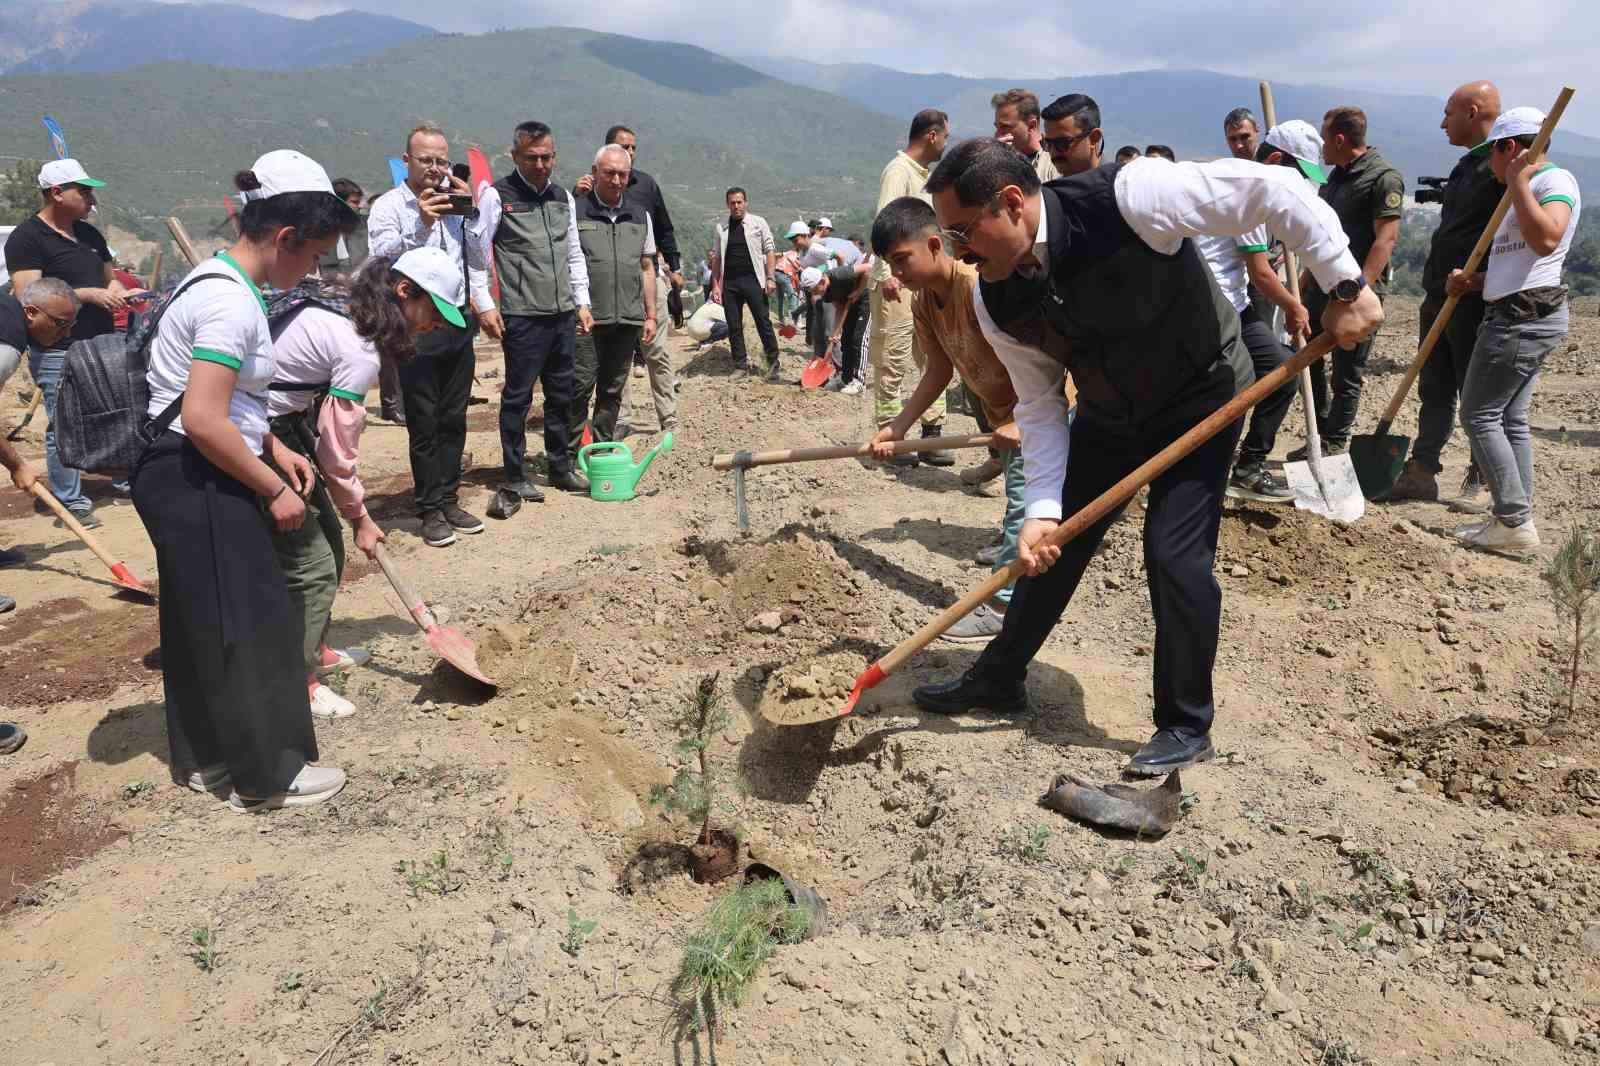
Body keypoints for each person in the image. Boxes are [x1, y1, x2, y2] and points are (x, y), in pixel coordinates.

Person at [917, 138, 1380, 774]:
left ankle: (1186, 723)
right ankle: (1000, 678)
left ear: (1014, 203)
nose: (959, 248)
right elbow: (1042, 406)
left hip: (1201, 399)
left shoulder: (1132, 197)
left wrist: (1345, 285)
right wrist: (1042, 508)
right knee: (1053, 546)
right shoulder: (994, 300)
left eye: (963, 230)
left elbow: (1274, 191)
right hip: (1111, 415)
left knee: (1173, 554)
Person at [133, 149, 357, 812]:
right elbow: (202, 416)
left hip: (183, 468)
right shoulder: (232, 305)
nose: (313, 269)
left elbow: (216, 400)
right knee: (249, 623)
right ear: (285, 238)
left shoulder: (215, 281)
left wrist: (267, 443)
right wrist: (273, 486)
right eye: (313, 256)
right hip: (195, 472)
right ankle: (265, 775)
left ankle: (208, 761)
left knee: (202, 621)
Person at [266, 247, 461, 719]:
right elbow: (338, 453)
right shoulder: (357, 347)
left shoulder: (352, 307)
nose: (435, 325)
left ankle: (316, 651)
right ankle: (298, 681)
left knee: (329, 543)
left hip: (283, 424)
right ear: (403, 291)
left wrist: (350, 521)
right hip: (257, 432)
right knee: (309, 564)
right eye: (434, 312)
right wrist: (361, 516)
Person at [870, 197, 1025, 641]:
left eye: (903, 261)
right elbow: (938, 369)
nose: (897, 275)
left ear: (935, 244)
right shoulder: (923, 303)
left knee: (1023, 505)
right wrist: (900, 425)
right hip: (1006, 418)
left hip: (1042, 412)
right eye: (890, 265)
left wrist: (1027, 421)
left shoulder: (980, 287)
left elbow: (1047, 358)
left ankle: (1002, 605)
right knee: (1031, 505)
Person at [1449, 107, 1577, 555]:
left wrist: (1521, 182)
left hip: (1522, 316)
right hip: (1514, 308)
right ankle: (1514, 517)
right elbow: (1522, 262)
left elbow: (1547, 240)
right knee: (1509, 419)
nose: (1490, 168)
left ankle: (1513, 522)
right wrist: (1475, 283)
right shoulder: (1520, 194)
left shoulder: (1551, 183)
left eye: (1493, 156)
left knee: (1479, 415)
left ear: (1509, 148)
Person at [367, 123, 496, 546]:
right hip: (415, 324)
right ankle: (428, 507)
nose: (436, 168)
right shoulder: (389, 207)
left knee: (453, 416)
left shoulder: (455, 207)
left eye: (441, 160)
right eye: (427, 160)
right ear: (407, 161)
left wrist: (472, 213)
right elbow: (383, 261)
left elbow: (476, 258)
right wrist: (421, 223)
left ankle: (449, 496)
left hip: (455, 319)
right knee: (423, 419)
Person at [1384, 81, 1503, 505]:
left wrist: (1480, 279)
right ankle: (1422, 470)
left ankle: (1485, 473)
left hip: (1472, 302)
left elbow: (1510, 237)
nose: (1442, 123)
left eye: (1448, 112)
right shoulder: (1467, 167)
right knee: (1433, 388)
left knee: (1476, 395)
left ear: (1473, 112)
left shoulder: (1501, 169)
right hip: (1439, 295)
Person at [4, 158, 128, 530]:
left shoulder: (90, 236)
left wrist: (116, 290)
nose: (91, 200)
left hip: (102, 340)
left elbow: (110, 280)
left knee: (117, 409)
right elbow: (29, 296)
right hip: (58, 345)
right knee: (65, 421)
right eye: (84, 191)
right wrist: (88, 295)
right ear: (57, 194)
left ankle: (122, 474)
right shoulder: (28, 238)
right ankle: (70, 498)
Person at [473, 121, 592, 501]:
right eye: (532, 158)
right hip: (522, 315)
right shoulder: (497, 196)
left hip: (562, 314)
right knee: (518, 396)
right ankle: (515, 472)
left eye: (547, 157)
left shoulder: (563, 198)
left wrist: (583, 301)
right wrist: (486, 306)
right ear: (516, 156)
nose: (541, 165)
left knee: (562, 394)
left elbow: (574, 252)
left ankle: (560, 467)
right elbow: (477, 255)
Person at [1294, 106, 1404, 455]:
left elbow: (1384, 240)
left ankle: (1335, 442)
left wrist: (1360, 290)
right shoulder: (1335, 179)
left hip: (1355, 290)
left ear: (1339, 139)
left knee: (1347, 370)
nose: (1321, 148)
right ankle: (1319, 432)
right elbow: (1321, 235)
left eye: (1324, 139)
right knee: (1309, 357)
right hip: (1322, 285)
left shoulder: (1383, 178)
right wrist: (1306, 276)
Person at [572, 125, 684, 429]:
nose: (629, 154)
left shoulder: (646, 185)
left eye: (633, 148)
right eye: (623, 147)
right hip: (599, 299)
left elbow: (664, 228)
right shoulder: (583, 195)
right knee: (606, 372)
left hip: (643, 285)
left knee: (655, 351)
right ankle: (618, 423)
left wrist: (674, 268)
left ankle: (669, 417)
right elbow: (572, 246)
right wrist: (577, 193)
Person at [870, 108, 951, 465]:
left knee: (932, 352)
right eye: (946, 136)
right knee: (894, 353)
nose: (947, 143)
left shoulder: (923, 176)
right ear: (932, 135)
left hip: (923, 279)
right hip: (896, 281)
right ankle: (888, 432)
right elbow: (885, 223)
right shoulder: (898, 171)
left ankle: (932, 435)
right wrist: (888, 272)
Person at [568, 145, 659, 446]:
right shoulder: (575, 210)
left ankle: (602, 448)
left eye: (623, 174)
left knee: (611, 391)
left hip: (628, 318)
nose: (616, 180)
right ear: (594, 173)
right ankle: (568, 458)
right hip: (588, 318)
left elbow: (647, 267)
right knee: (579, 387)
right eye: (609, 173)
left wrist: (651, 315)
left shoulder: (640, 215)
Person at [0, 278, 70, 613]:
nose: (64, 332)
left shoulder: (6, 310)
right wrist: (16, 464)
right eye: (59, 323)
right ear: (30, 312)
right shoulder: (7, 345)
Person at [709, 188, 779, 377]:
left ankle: (773, 364)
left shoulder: (758, 223)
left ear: (746, 203)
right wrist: (716, 285)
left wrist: (771, 277)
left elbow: (770, 251)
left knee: (763, 322)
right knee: (733, 325)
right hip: (730, 283)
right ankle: (740, 365)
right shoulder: (721, 227)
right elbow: (716, 258)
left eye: (739, 202)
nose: (736, 206)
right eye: (732, 202)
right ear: (727, 204)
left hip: (754, 280)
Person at [800, 262, 869, 395]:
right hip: (850, 304)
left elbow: (867, 269)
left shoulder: (840, 274)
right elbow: (840, 307)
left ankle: (859, 382)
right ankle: (845, 379)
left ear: (821, 281)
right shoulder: (825, 293)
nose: (815, 294)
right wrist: (836, 331)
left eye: (815, 290)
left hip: (865, 300)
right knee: (846, 341)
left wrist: (858, 291)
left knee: (858, 340)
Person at [992, 89, 1059, 181]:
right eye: (997, 127)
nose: (997, 135)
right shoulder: (1000, 162)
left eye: (1005, 127)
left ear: (1031, 126)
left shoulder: (1054, 163)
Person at [1040, 94, 1104, 178]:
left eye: (1062, 143)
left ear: (1094, 138)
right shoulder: (1052, 188)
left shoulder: (1120, 187)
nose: (1053, 152)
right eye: (1048, 144)